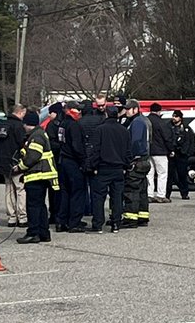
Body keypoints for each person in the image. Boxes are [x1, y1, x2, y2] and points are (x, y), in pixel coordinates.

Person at [16, 110, 58, 243]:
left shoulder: (36, 136)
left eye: (25, 124)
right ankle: (43, 233)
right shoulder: (39, 133)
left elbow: (33, 156)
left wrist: (20, 167)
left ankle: (33, 232)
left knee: (33, 206)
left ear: (29, 124)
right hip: (42, 175)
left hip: (37, 175)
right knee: (40, 206)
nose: (23, 126)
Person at [86, 104, 128, 232]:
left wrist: (92, 166)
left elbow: (95, 150)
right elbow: (127, 150)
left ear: (106, 114)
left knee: (98, 197)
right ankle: (116, 223)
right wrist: (126, 165)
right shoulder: (124, 130)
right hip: (118, 168)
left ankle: (98, 224)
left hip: (103, 168)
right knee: (117, 197)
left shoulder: (100, 130)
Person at [53, 103, 87, 232]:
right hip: (73, 162)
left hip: (63, 161)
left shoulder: (62, 124)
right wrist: (83, 160)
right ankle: (74, 222)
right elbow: (77, 146)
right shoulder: (74, 125)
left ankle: (61, 221)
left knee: (65, 192)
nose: (79, 112)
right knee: (77, 192)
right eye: (77, 110)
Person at [0, 104, 28, 227]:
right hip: (16, 162)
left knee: (8, 189)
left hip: (3, 162)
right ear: (20, 112)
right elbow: (22, 143)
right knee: (20, 189)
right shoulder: (18, 126)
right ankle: (22, 217)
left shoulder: (1, 125)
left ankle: (12, 217)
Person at [121, 99, 151, 227]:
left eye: (128, 109)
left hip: (137, 161)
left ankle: (131, 218)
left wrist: (129, 158)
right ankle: (142, 216)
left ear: (135, 109)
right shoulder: (141, 121)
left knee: (131, 190)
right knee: (141, 190)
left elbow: (136, 142)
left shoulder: (137, 123)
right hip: (143, 160)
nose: (126, 111)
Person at [147, 103, 174, 203]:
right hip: (160, 151)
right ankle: (161, 195)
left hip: (148, 151)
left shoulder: (146, 120)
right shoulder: (161, 122)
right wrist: (171, 149)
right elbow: (167, 137)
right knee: (162, 173)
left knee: (149, 174)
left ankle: (149, 194)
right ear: (159, 111)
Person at [168, 110, 195, 200]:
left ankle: (184, 193)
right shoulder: (169, 127)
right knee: (170, 176)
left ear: (180, 118)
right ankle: (167, 194)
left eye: (176, 116)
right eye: (173, 116)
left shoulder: (186, 128)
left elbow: (192, 141)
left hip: (182, 155)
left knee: (182, 175)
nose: (174, 118)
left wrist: (188, 153)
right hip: (171, 154)